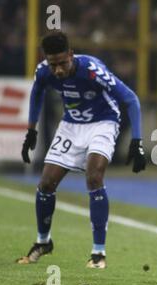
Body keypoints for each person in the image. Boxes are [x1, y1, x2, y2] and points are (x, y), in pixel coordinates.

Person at [17, 31, 146, 268]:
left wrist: (137, 142)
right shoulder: (44, 71)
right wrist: (31, 131)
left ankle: (98, 253)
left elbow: (131, 99)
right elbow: (37, 93)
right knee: (46, 184)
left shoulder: (92, 70)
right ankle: (43, 242)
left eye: (62, 63)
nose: (58, 70)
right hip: (71, 125)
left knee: (94, 176)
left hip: (103, 122)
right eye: (53, 64)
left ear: (71, 55)